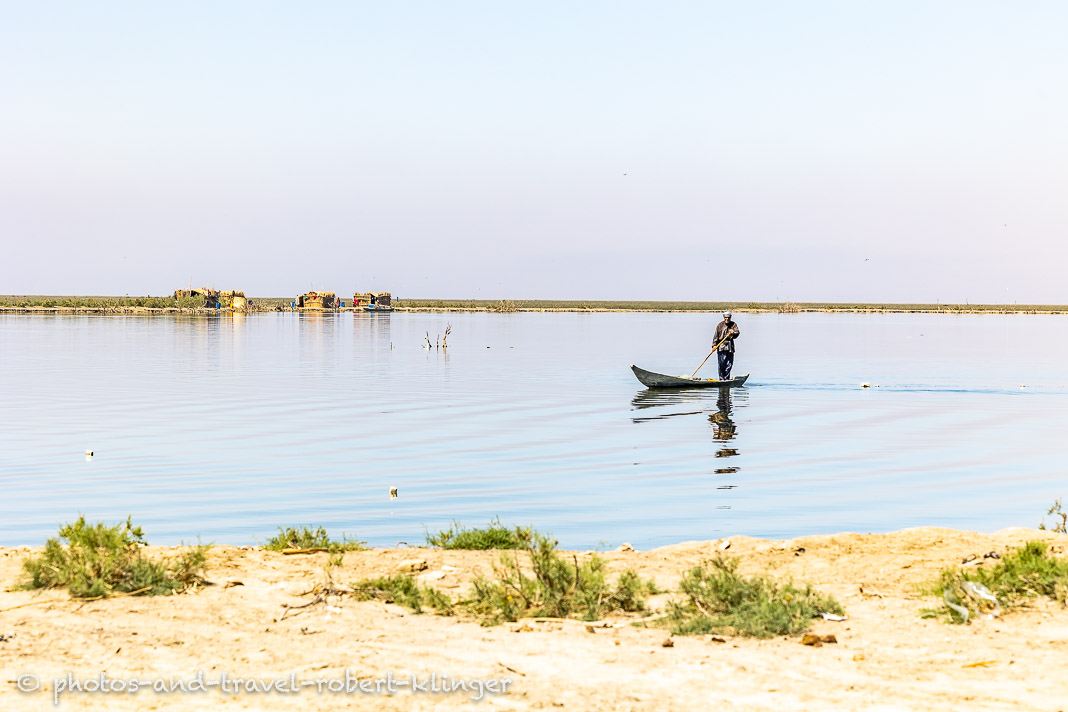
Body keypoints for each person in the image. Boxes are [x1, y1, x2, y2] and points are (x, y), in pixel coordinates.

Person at [713, 311, 740, 380]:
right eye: (725, 318)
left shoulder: (733, 324)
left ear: (730, 318)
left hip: (730, 345)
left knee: (729, 363)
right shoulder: (720, 325)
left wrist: (733, 332)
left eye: (728, 318)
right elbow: (716, 336)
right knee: (722, 363)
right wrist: (714, 345)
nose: (727, 319)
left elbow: (737, 332)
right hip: (721, 345)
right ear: (724, 318)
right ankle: (721, 379)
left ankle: (726, 378)